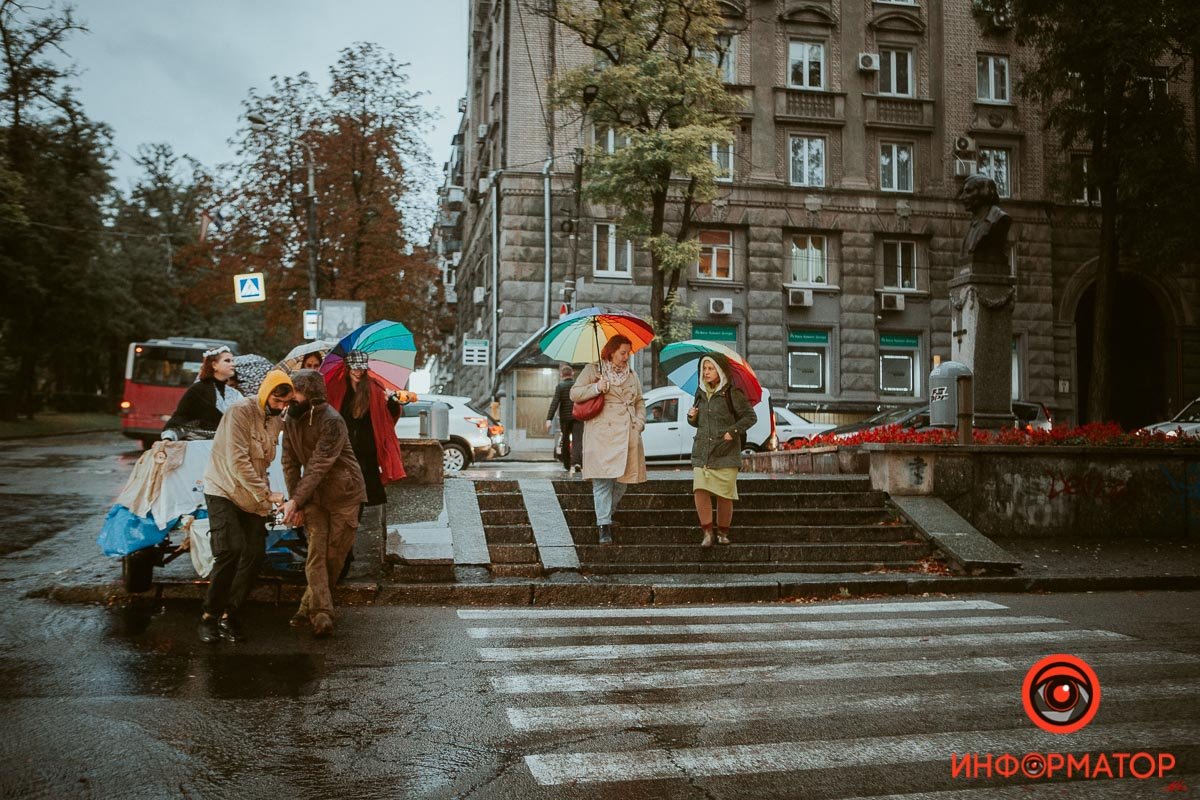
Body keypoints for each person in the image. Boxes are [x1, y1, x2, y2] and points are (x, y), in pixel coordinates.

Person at [198, 370, 294, 644]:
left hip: (253, 497)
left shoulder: (276, 419)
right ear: (266, 393)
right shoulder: (239, 413)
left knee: (254, 554)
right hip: (224, 489)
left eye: (285, 403)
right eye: (277, 400)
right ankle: (209, 616)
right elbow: (237, 463)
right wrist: (268, 495)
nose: (281, 407)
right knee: (230, 550)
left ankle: (231, 613)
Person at [279, 369, 367, 638]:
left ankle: (309, 605)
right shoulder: (291, 420)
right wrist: (298, 502)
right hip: (314, 497)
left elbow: (319, 464)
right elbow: (290, 464)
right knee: (317, 552)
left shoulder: (332, 420)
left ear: (312, 394)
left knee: (334, 555)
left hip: (344, 495)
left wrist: (295, 500)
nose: (291, 398)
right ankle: (322, 614)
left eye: (297, 391)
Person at [570, 335, 646, 544]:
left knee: (623, 480)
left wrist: (639, 423)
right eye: (623, 352)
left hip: (628, 433)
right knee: (603, 481)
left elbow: (640, 402)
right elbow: (574, 394)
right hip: (601, 433)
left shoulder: (633, 375)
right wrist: (596, 388)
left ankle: (608, 514)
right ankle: (604, 525)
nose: (626, 357)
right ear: (611, 351)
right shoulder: (593, 370)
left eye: (628, 353)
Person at [687, 354, 757, 547]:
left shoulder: (732, 393)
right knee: (700, 490)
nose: (706, 372)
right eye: (704, 369)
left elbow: (750, 417)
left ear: (720, 371)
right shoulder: (699, 393)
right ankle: (707, 533)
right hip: (703, 451)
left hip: (726, 451)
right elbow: (698, 423)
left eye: (710, 368)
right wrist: (691, 417)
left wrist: (732, 432)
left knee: (724, 495)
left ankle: (723, 533)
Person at [326, 350, 406, 508]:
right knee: (346, 488)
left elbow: (388, 416)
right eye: (354, 368)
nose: (358, 372)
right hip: (345, 446)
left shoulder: (375, 388)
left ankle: (358, 519)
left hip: (367, 447)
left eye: (361, 368)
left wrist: (392, 402)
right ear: (348, 367)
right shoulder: (339, 388)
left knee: (364, 489)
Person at [161, 345, 243, 440]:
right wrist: (168, 438)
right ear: (214, 365)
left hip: (226, 446)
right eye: (227, 361)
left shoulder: (234, 393)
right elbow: (180, 418)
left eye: (233, 361)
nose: (232, 364)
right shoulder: (197, 390)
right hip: (198, 446)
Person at [545, 364, 583, 473]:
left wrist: (549, 419)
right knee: (578, 441)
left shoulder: (560, 387)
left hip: (565, 419)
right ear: (572, 374)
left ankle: (566, 465)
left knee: (565, 441)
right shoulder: (577, 385)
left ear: (561, 375)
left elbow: (555, 403)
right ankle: (577, 463)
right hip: (578, 417)